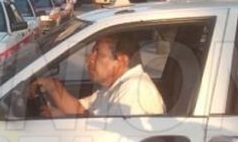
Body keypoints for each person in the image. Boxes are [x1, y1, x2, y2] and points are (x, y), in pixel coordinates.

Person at [29, 35, 165, 117]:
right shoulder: (113, 87)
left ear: (122, 60)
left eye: (98, 54)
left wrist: (64, 119)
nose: (89, 61)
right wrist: (52, 86)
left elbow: (108, 138)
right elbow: (80, 110)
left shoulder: (135, 90)